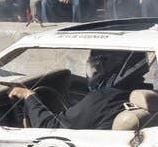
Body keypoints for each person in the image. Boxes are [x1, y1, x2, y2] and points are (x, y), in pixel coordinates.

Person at [8, 51, 150, 130]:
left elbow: (50, 127)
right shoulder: (145, 94)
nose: (93, 74)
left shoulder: (103, 98)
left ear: (113, 69)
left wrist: (29, 96)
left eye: (97, 69)